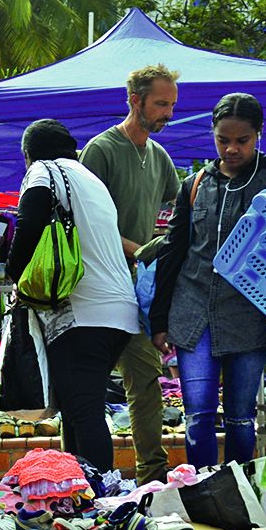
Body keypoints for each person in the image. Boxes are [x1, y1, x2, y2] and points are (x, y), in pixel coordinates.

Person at [149, 93, 266, 470]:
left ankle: (237, 492)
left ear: (259, 136)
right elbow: (173, 252)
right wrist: (159, 319)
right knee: (197, 414)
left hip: (250, 319)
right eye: (223, 140)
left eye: (242, 141)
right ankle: (201, 489)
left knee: (240, 415)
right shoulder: (195, 184)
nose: (232, 149)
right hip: (193, 311)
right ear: (213, 135)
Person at [5, 120, 140, 465]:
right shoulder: (91, 181)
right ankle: (81, 492)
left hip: (83, 313)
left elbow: (30, 222)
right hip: (119, 313)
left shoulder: (43, 171)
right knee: (78, 407)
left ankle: (101, 498)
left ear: (28, 155)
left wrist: (15, 274)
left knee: (85, 411)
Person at [80, 64, 182, 483]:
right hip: (99, 289)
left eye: (172, 105)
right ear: (135, 101)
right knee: (86, 393)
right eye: (161, 104)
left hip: (140, 292)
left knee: (146, 384)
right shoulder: (100, 151)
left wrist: (163, 249)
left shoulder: (159, 157)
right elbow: (87, 223)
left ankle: (152, 480)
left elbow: (175, 217)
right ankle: (85, 480)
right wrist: (142, 250)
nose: (168, 113)